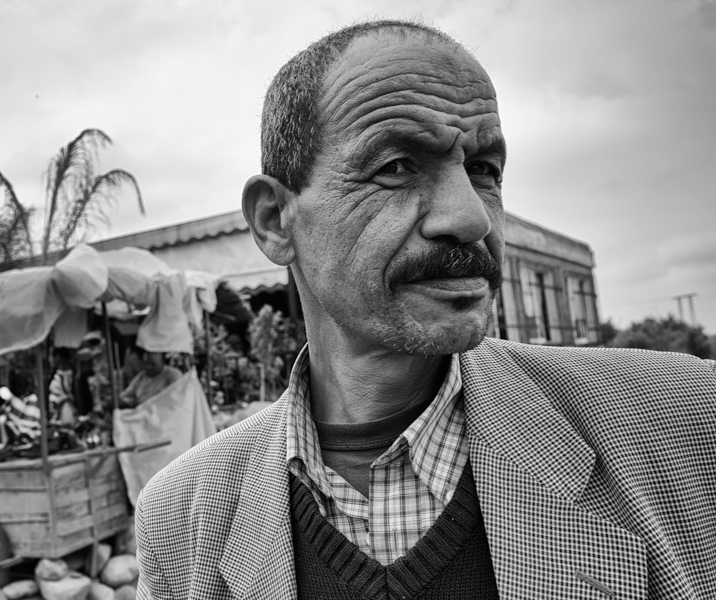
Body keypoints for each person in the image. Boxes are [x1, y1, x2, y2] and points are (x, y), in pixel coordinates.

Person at [135, 20, 716, 599]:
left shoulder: (688, 424)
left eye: (484, 170)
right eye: (395, 167)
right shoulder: (182, 519)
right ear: (274, 220)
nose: (471, 218)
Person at [48, 347, 76, 425]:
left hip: (65, 412)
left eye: (53, 357)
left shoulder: (67, 375)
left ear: (58, 357)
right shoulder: (57, 374)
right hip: (57, 412)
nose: (51, 360)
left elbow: (67, 392)